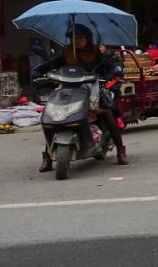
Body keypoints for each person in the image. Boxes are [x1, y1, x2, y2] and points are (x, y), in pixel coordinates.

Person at [32, 23, 128, 169]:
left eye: (80, 37)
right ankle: (47, 157)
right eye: (73, 37)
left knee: (107, 113)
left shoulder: (96, 53)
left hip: (91, 91)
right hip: (67, 91)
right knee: (53, 118)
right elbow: (50, 65)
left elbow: (108, 66)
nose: (77, 40)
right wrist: (38, 71)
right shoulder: (66, 53)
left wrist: (112, 72)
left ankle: (121, 150)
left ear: (88, 39)